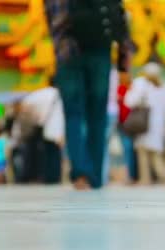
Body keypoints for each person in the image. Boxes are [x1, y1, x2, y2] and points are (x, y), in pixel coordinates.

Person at [45, 0, 130, 190]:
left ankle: (81, 173)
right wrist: (124, 55)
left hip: (68, 52)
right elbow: (119, 13)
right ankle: (96, 176)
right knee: (98, 115)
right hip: (101, 49)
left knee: (73, 115)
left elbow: (53, 16)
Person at [125, 63, 165, 185]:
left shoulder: (140, 83)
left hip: (144, 122)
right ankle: (163, 174)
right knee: (155, 152)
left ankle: (145, 179)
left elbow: (129, 101)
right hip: (158, 123)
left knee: (143, 152)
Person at [20, 82, 66, 184]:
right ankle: (55, 177)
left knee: (46, 154)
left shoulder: (40, 93)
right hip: (57, 129)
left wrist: (35, 116)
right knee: (55, 154)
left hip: (45, 127)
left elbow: (25, 104)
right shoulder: (62, 94)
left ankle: (47, 177)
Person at [117, 71, 137, 183]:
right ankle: (131, 175)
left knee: (127, 149)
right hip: (129, 123)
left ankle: (130, 176)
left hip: (126, 123)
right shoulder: (132, 89)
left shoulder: (122, 89)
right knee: (130, 150)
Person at [103, 65, 120, 185]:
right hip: (113, 111)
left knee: (100, 145)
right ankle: (103, 177)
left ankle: (100, 176)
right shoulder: (115, 73)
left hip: (102, 111)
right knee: (105, 146)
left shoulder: (100, 70)